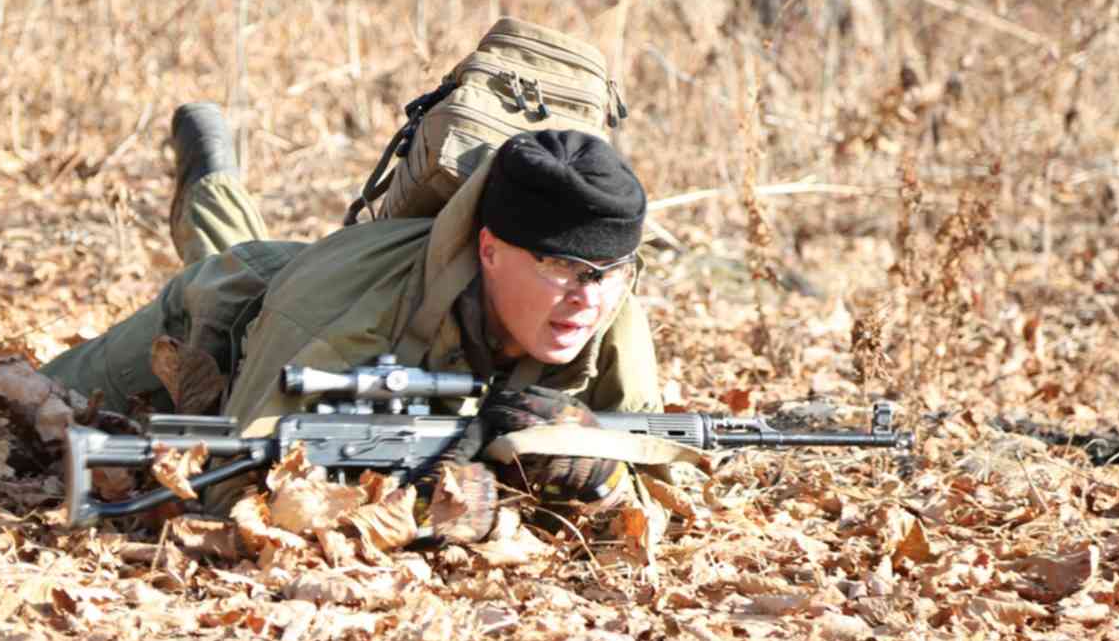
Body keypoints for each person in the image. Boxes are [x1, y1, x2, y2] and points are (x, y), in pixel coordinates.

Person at [42, 103, 661, 527]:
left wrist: (604, 485)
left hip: (323, 298)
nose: (589, 298)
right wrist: (425, 499)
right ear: (491, 250)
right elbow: (235, 489)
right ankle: (210, 186)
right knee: (43, 405)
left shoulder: (606, 305)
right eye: (560, 267)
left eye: (612, 273)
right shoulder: (337, 314)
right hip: (248, 309)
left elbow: (662, 495)